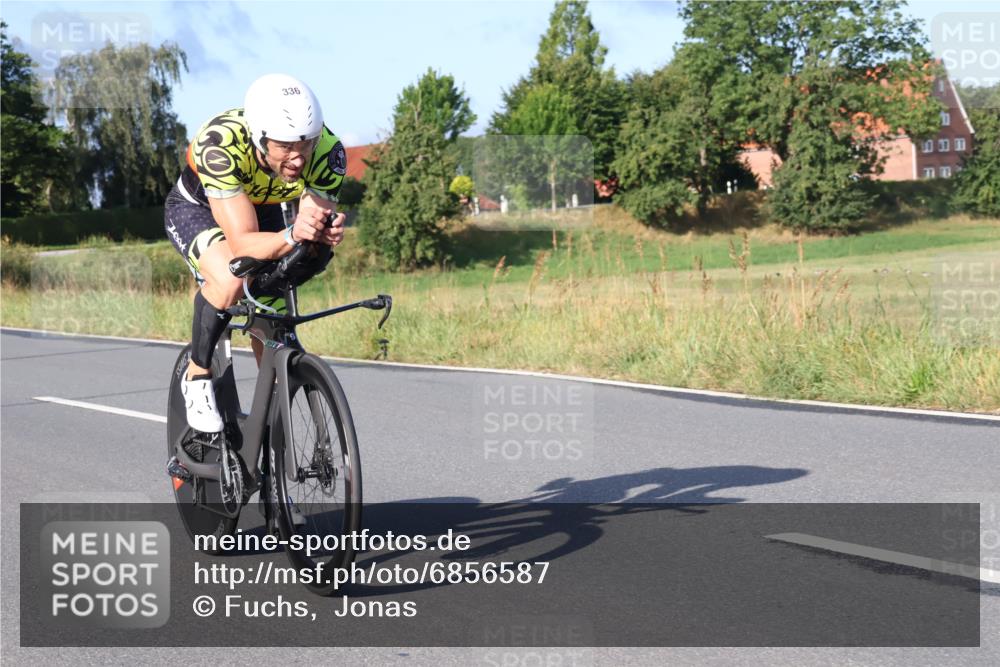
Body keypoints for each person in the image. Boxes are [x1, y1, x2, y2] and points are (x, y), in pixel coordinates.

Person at [164, 73, 347, 433]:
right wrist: (292, 233)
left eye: (306, 144)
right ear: (259, 137)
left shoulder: (328, 153)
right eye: (285, 147)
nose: (298, 158)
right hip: (200, 207)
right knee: (231, 278)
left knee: (274, 310)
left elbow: (309, 229)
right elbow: (243, 244)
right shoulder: (220, 144)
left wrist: (321, 234)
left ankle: (270, 420)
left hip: (264, 208)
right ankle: (197, 376)